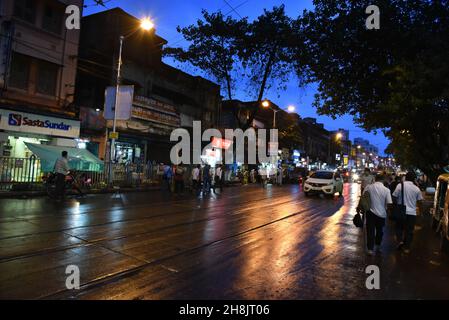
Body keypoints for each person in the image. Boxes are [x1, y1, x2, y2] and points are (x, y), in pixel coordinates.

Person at [392, 172, 424, 253]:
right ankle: (406, 248)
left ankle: (400, 241)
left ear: (405, 178)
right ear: (414, 179)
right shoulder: (416, 189)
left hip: (400, 211)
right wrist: (421, 212)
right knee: (409, 231)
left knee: (399, 228)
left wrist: (396, 205)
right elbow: (420, 202)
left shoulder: (400, 185)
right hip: (411, 213)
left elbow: (394, 196)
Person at [363, 174, 393, 255]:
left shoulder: (368, 187)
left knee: (370, 231)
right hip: (382, 214)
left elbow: (363, 198)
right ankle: (378, 245)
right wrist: (389, 212)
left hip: (370, 213)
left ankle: (370, 249)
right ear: (383, 180)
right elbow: (389, 203)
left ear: (375, 179)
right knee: (380, 231)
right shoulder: (386, 190)